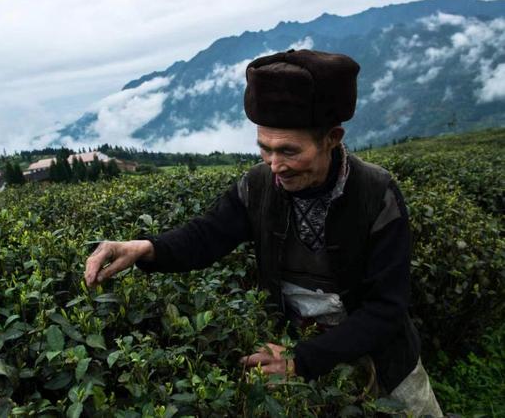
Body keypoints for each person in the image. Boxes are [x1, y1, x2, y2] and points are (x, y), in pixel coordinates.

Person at [83, 49, 442, 416]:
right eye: (265, 150)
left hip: (381, 356)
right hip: (297, 352)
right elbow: (207, 236)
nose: (276, 167)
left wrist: (302, 359)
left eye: (289, 151)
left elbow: (387, 308)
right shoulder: (258, 186)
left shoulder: (375, 193)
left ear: (332, 138)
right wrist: (145, 248)